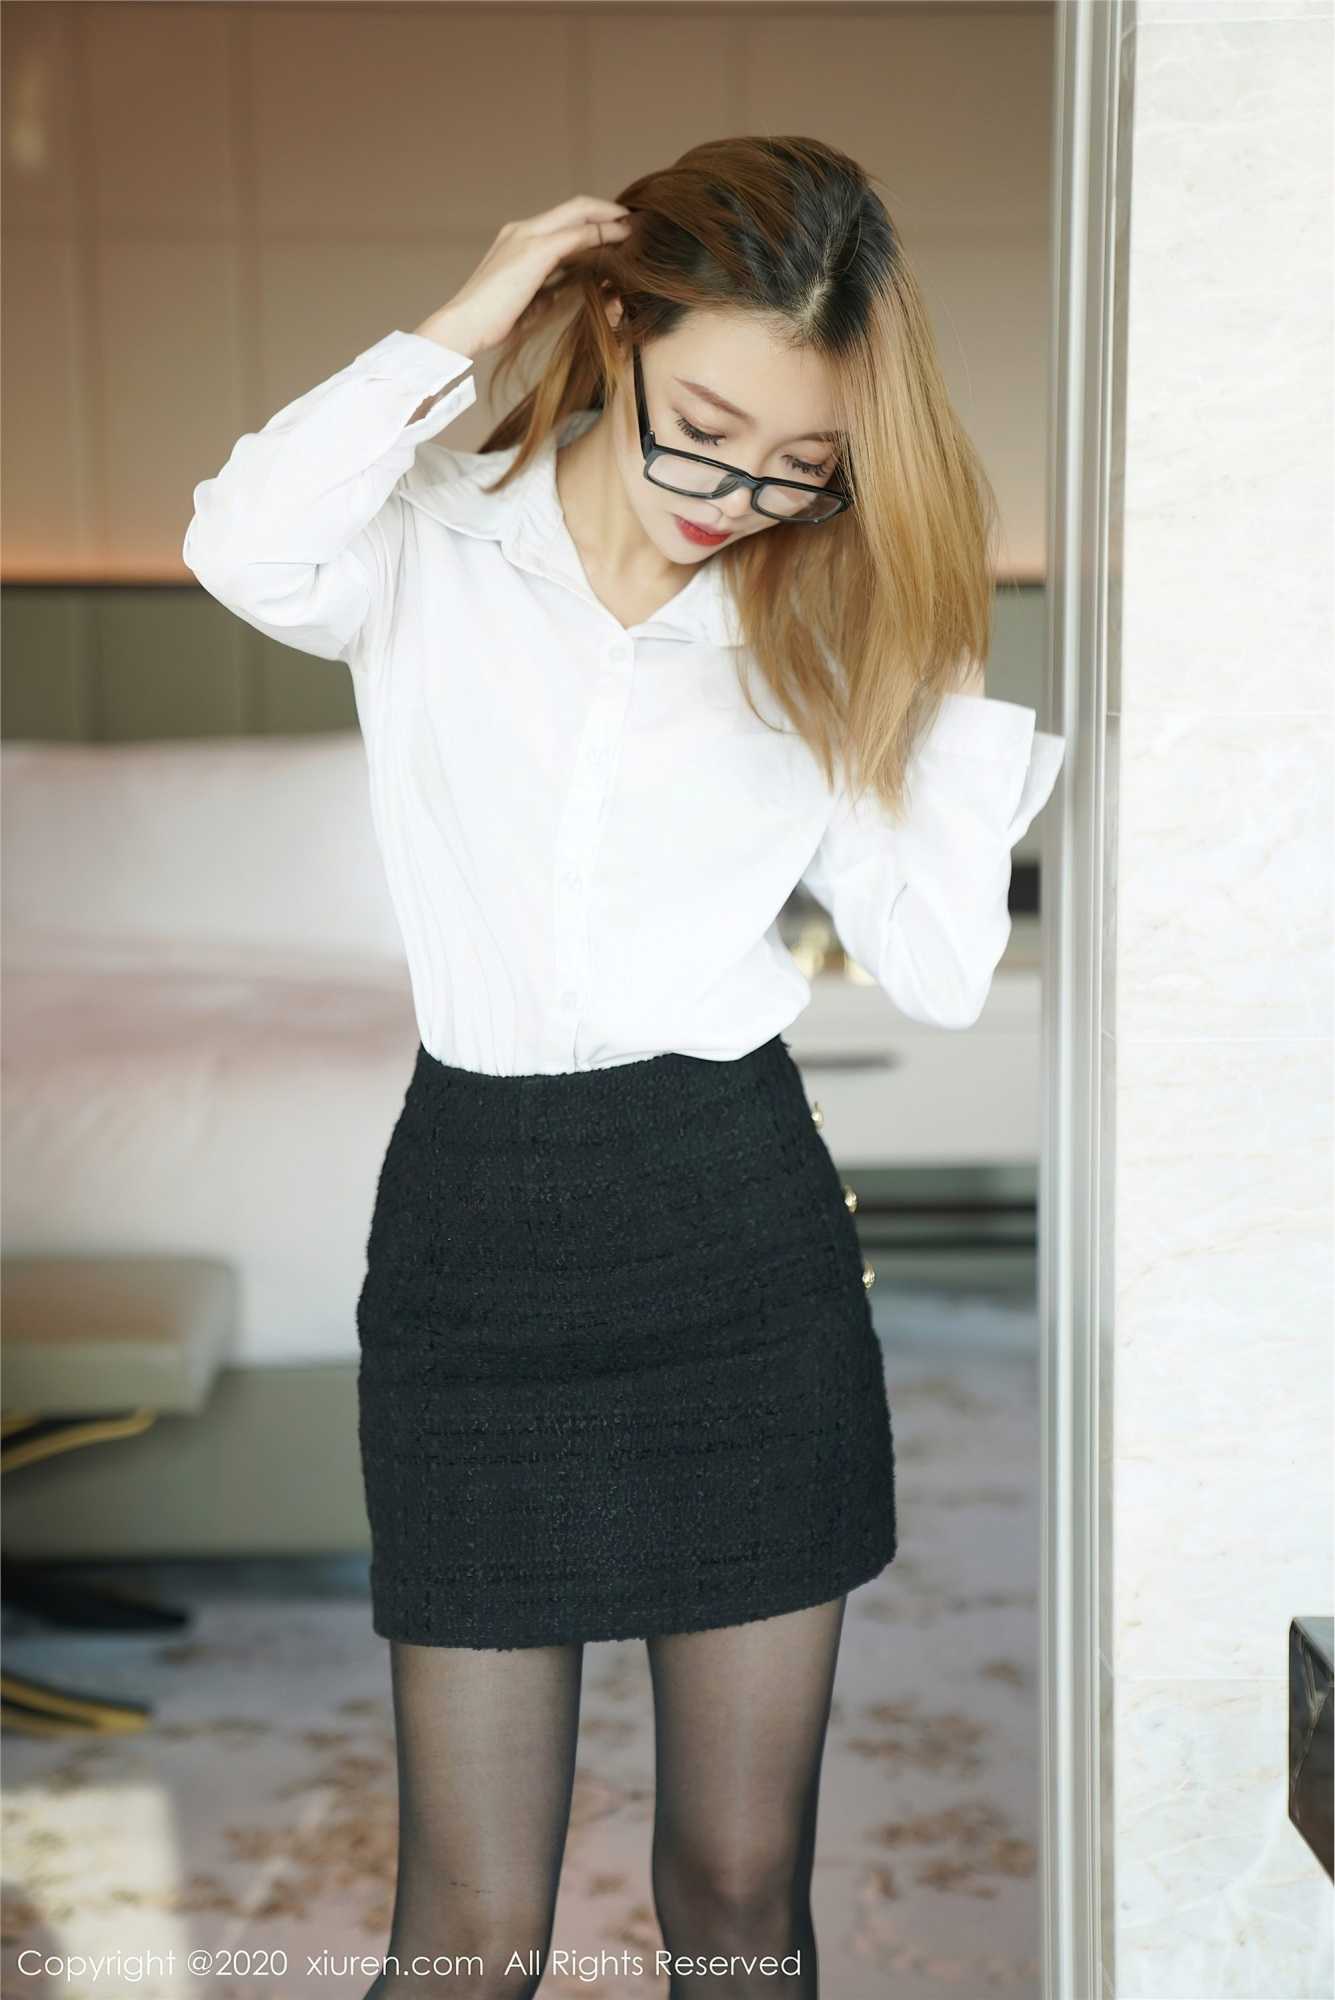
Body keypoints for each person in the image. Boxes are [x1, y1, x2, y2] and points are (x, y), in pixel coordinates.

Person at [183, 136, 1066, 2000]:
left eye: (797, 464)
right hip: (476, 1241)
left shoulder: (816, 615)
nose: (733, 498)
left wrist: (921, 649)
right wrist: (458, 323)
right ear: (610, 332)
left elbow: (937, 970)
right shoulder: (424, 540)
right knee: (468, 1934)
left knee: (739, 1900)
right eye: (704, 432)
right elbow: (238, 542)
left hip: (736, 1234)